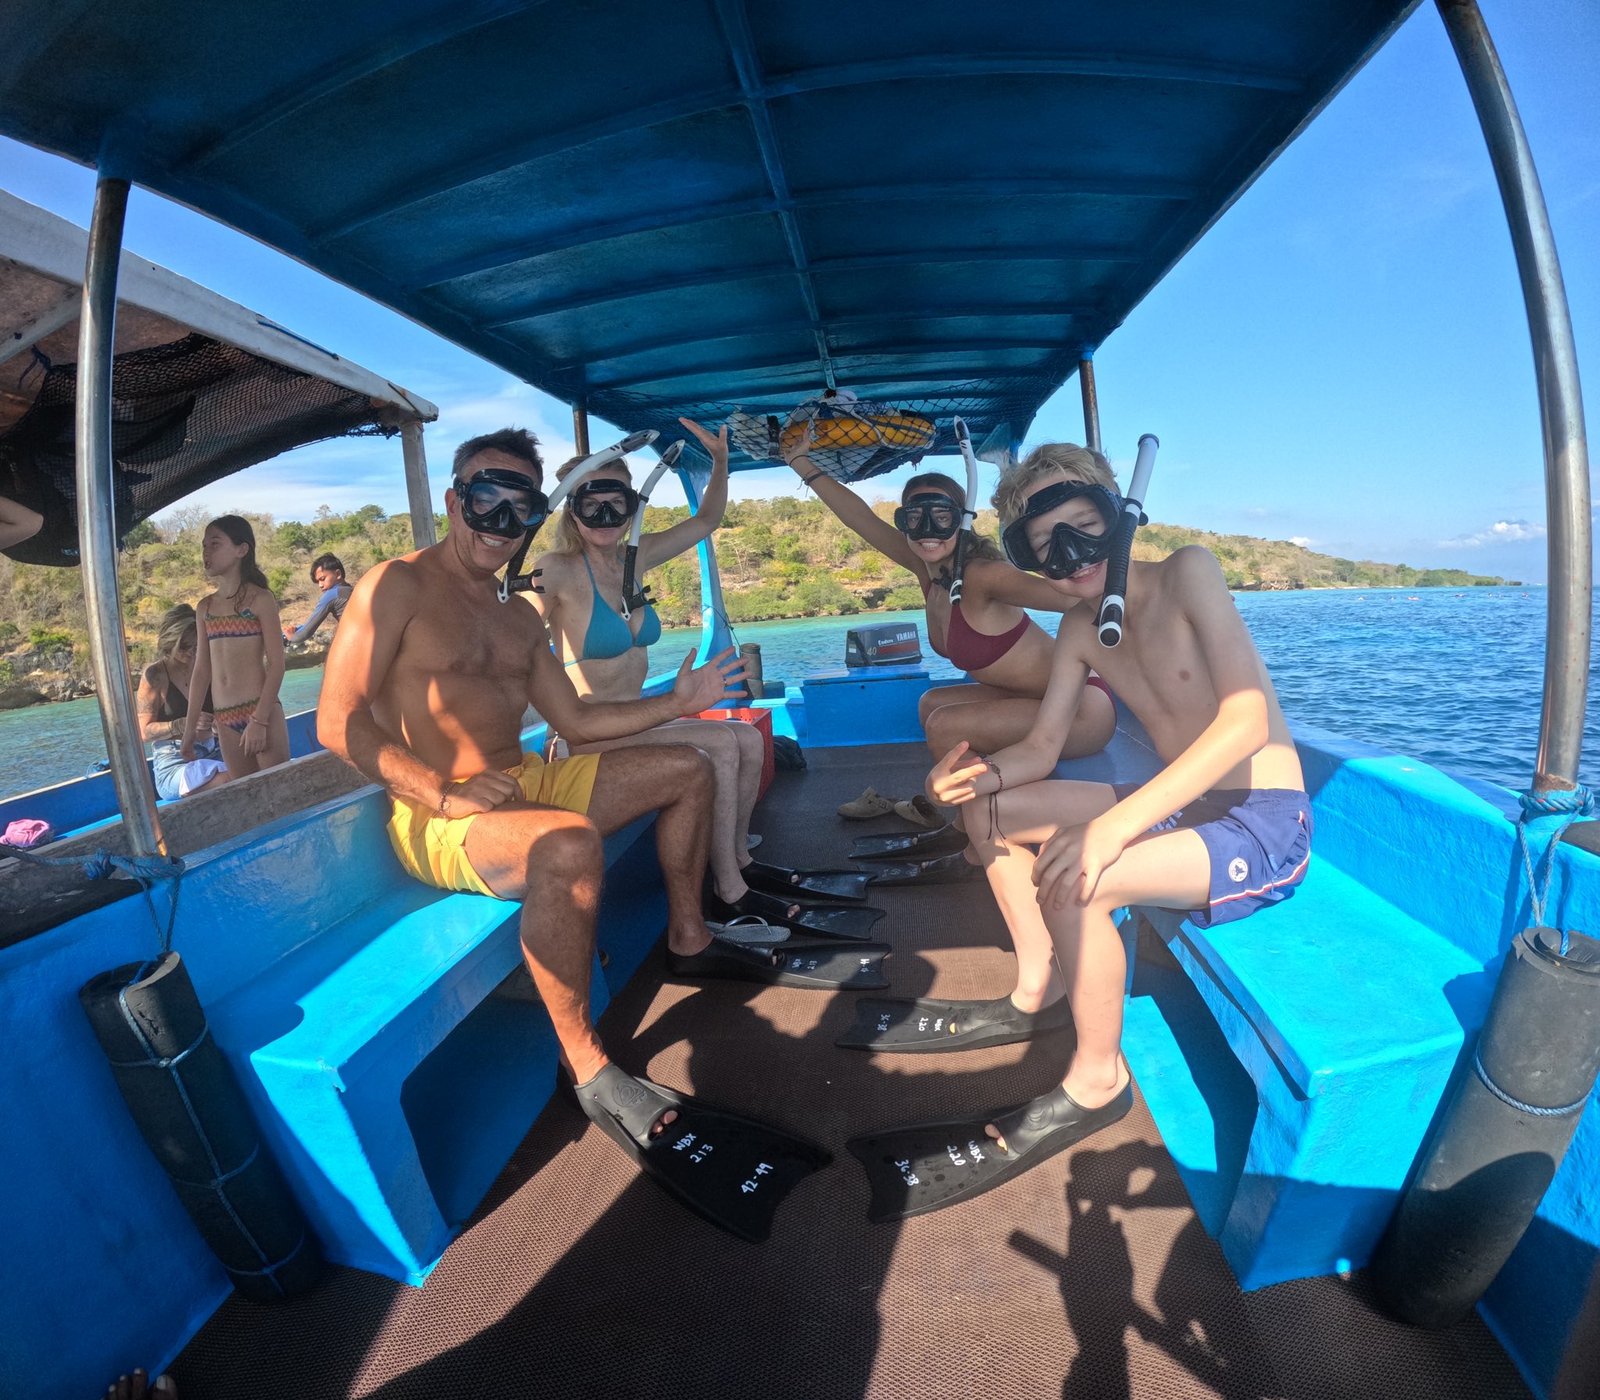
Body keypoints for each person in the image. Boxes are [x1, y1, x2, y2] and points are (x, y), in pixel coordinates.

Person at [316, 426, 853, 1234]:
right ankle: (588, 1065)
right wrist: (439, 790)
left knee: (689, 767)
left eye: (518, 503)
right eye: (484, 495)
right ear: (456, 495)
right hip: (438, 815)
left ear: (536, 513)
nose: (498, 517)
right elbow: (336, 720)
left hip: (526, 779)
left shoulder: (515, 615)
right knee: (568, 845)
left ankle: (689, 936)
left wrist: (682, 701)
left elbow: (575, 719)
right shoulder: (395, 585)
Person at [853, 441, 1312, 1215]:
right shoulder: (1074, 627)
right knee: (985, 815)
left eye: (1082, 533)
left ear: (1120, 517)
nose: (1069, 562)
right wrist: (973, 776)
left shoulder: (1187, 574)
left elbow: (1244, 722)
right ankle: (1039, 985)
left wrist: (1111, 829)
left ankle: (1098, 1080)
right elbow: (1038, 748)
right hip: (1172, 804)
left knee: (1077, 875)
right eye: (1046, 551)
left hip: (1260, 821)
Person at [782, 426, 1116, 809]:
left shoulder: (984, 575)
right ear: (903, 522)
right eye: (914, 518)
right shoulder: (927, 569)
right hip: (1027, 697)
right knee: (930, 704)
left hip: (1083, 710)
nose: (927, 530)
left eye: (941, 517)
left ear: (961, 519)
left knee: (946, 724)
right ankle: (959, 815)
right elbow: (859, 518)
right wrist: (801, 464)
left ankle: (966, 832)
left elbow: (1082, 595)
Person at [531, 418, 776, 923]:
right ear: (571, 509)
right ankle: (729, 891)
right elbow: (513, 642)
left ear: (632, 505)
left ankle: (739, 863)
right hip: (591, 732)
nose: (604, 514)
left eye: (616, 502)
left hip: (642, 719)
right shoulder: (554, 570)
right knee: (724, 743)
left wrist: (722, 462)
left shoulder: (632, 562)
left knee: (747, 740)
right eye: (589, 502)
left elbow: (707, 520)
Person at [180, 515, 291, 779]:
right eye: (204, 546)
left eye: (215, 544)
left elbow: (277, 665)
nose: (206, 552)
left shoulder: (260, 600)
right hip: (225, 720)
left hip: (261, 712)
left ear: (242, 550)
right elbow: (202, 672)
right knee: (248, 798)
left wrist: (260, 721)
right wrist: (189, 733)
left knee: (279, 795)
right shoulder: (205, 607)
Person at [138, 604, 229, 799]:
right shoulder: (155, 676)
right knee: (227, 780)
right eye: (184, 646)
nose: (191, 652)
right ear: (170, 643)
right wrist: (182, 724)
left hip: (216, 749)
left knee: (258, 767)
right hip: (174, 761)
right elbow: (143, 732)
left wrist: (217, 722)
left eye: (197, 646)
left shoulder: (208, 667)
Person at [283, 552, 353, 644]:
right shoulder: (350, 590)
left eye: (323, 579)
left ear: (338, 574)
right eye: (318, 582)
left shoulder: (331, 595)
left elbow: (304, 634)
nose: (320, 585)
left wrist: (290, 636)